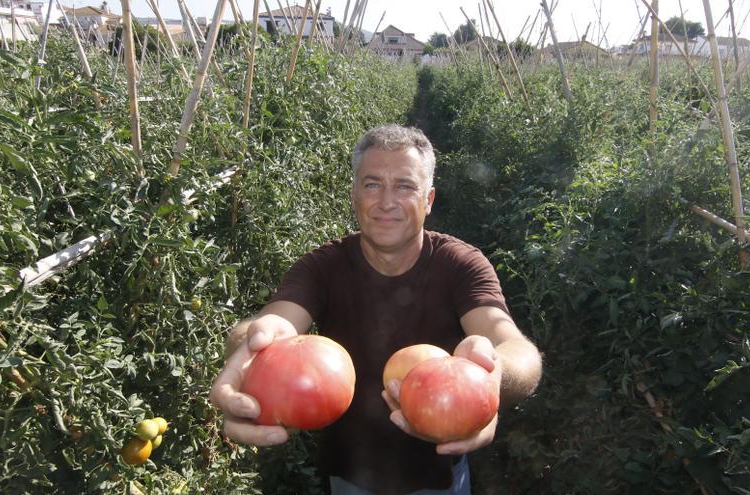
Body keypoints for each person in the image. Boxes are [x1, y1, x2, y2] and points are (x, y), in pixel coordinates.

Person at [210, 124, 543, 494]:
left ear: (429, 199)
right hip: (351, 474)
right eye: (372, 184)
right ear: (354, 195)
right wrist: (252, 346)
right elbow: (273, 323)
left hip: (439, 473)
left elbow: (516, 350)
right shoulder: (322, 267)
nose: (386, 201)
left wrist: (492, 378)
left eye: (405, 186)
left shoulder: (461, 265)